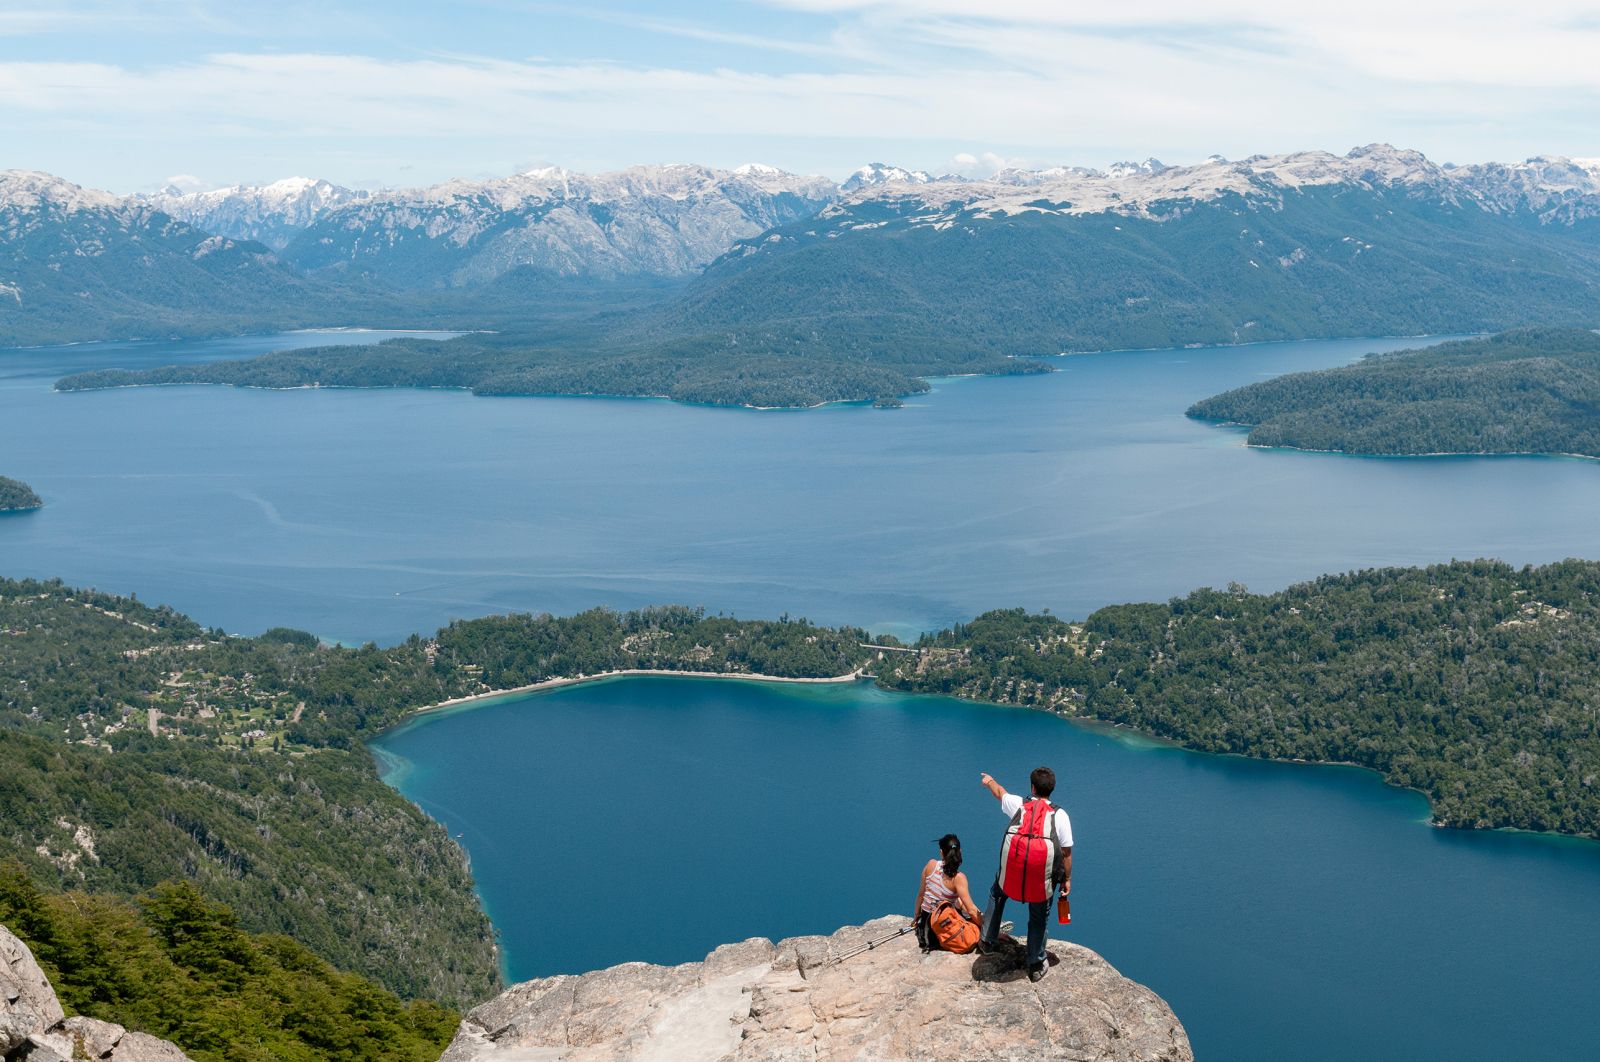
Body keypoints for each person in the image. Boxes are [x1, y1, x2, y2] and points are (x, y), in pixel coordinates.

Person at [977, 766, 1073, 982]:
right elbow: (1066, 852)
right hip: (1040, 882)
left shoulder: (1020, 805)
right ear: (1052, 789)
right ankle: (1036, 961)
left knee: (997, 893)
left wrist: (989, 780)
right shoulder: (1060, 815)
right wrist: (1067, 879)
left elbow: (999, 792)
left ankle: (986, 941)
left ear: (1032, 787)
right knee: (1039, 916)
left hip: (1011, 876)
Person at [913, 834, 982, 951]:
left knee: (958, 901)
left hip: (925, 928)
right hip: (941, 930)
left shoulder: (931, 865)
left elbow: (921, 895)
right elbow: (971, 910)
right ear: (960, 851)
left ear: (941, 852)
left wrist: (917, 917)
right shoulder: (958, 878)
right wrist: (985, 927)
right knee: (973, 921)